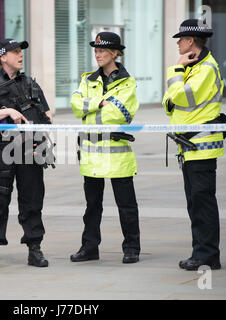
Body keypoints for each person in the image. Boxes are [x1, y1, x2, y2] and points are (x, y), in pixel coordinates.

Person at [0, 38, 53, 268]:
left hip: (30, 149)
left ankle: (34, 247)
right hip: (1, 149)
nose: (20, 55)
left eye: (21, 52)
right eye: (15, 51)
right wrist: (8, 110)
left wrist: (42, 138)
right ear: (2, 57)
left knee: (32, 200)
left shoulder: (30, 83)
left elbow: (47, 115)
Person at [70, 32, 141, 264]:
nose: (97, 54)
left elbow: (122, 112)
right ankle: (89, 247)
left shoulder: (127, 82)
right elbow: (75, 105)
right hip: (91, 155)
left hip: (117, 154)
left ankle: (131, 248)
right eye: (96, 50)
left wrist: (90, 107)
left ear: (114, 53)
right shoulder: (87, 79)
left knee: (127, 206)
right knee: (92, 207)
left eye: (102, 51)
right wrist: (99, 102)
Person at [162, 19, 224, 271]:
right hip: (188, 146)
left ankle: (207, 255)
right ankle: (201, 251)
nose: (178, 43)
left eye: (180, 39)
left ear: (190, 41)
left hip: (201, 145)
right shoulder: (193, 67)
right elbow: (168, 103)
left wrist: (175, 70)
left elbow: (181, 97)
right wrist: (176, 86)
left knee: (202, 202)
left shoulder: (205, 68)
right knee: (194, 202)